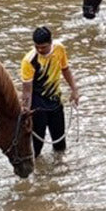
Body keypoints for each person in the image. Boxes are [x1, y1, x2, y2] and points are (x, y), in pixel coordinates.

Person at [21, 26, 80, 158]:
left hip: (55, 103)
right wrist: (26, 112)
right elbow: (26, 91)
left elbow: (65, 69)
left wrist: (74, 90)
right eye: (37, 47)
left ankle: (59, 172)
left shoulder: (59, 49)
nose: (40, 50)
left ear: (51, 42)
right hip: (37, 107)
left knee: (60, 145)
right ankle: (36, 173)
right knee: (36, 147)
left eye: (43, 47)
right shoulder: (29, 60)